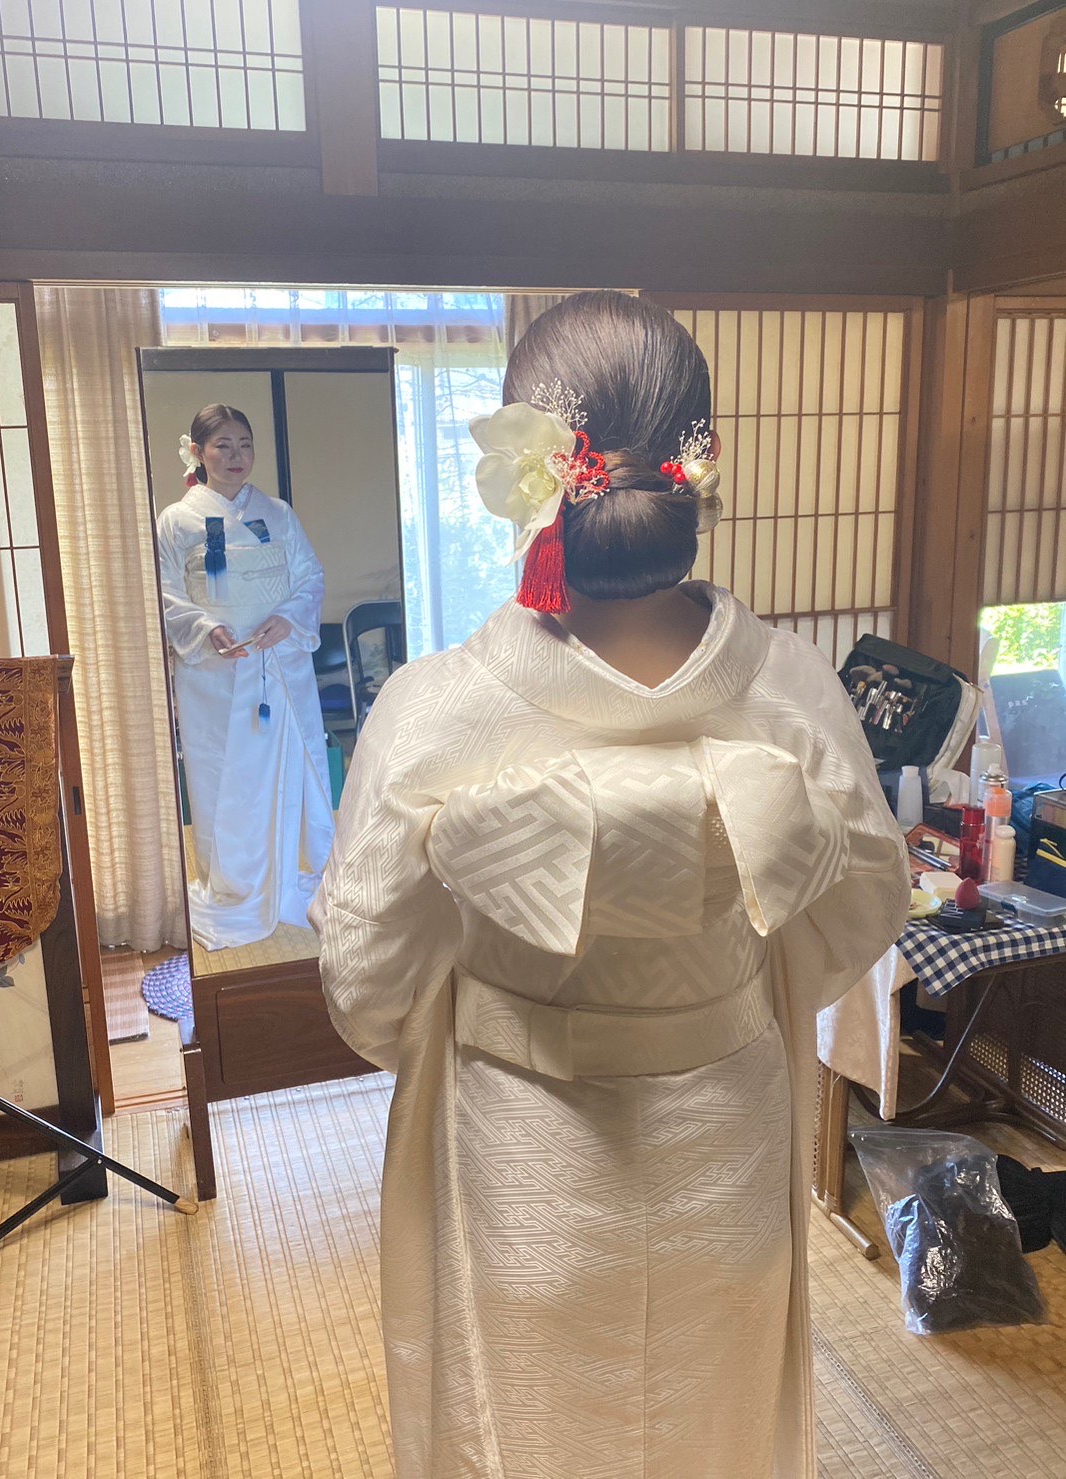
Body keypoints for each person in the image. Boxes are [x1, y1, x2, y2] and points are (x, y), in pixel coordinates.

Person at [311, 293, 909, 1477]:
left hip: (525, 1164)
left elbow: (365, 979)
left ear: (525, 473)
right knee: (714, 1432)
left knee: (527, 1434)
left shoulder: (435, 710)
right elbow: (858, 912)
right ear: (699, 458)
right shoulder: (791, 690)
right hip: (724, 1148)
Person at [157, 403, 334, 950]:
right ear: (198, 452)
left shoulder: (277, 513)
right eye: (223, 446)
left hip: (277, 660)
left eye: (245, 445)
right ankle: (234, 883)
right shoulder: (176, 520)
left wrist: (288, 619)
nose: (236, 457)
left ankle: (289, 873)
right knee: (222, 774)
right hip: (214, 670)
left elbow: (309, 577)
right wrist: (205, 627)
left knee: (285, 768)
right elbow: (166, 592)